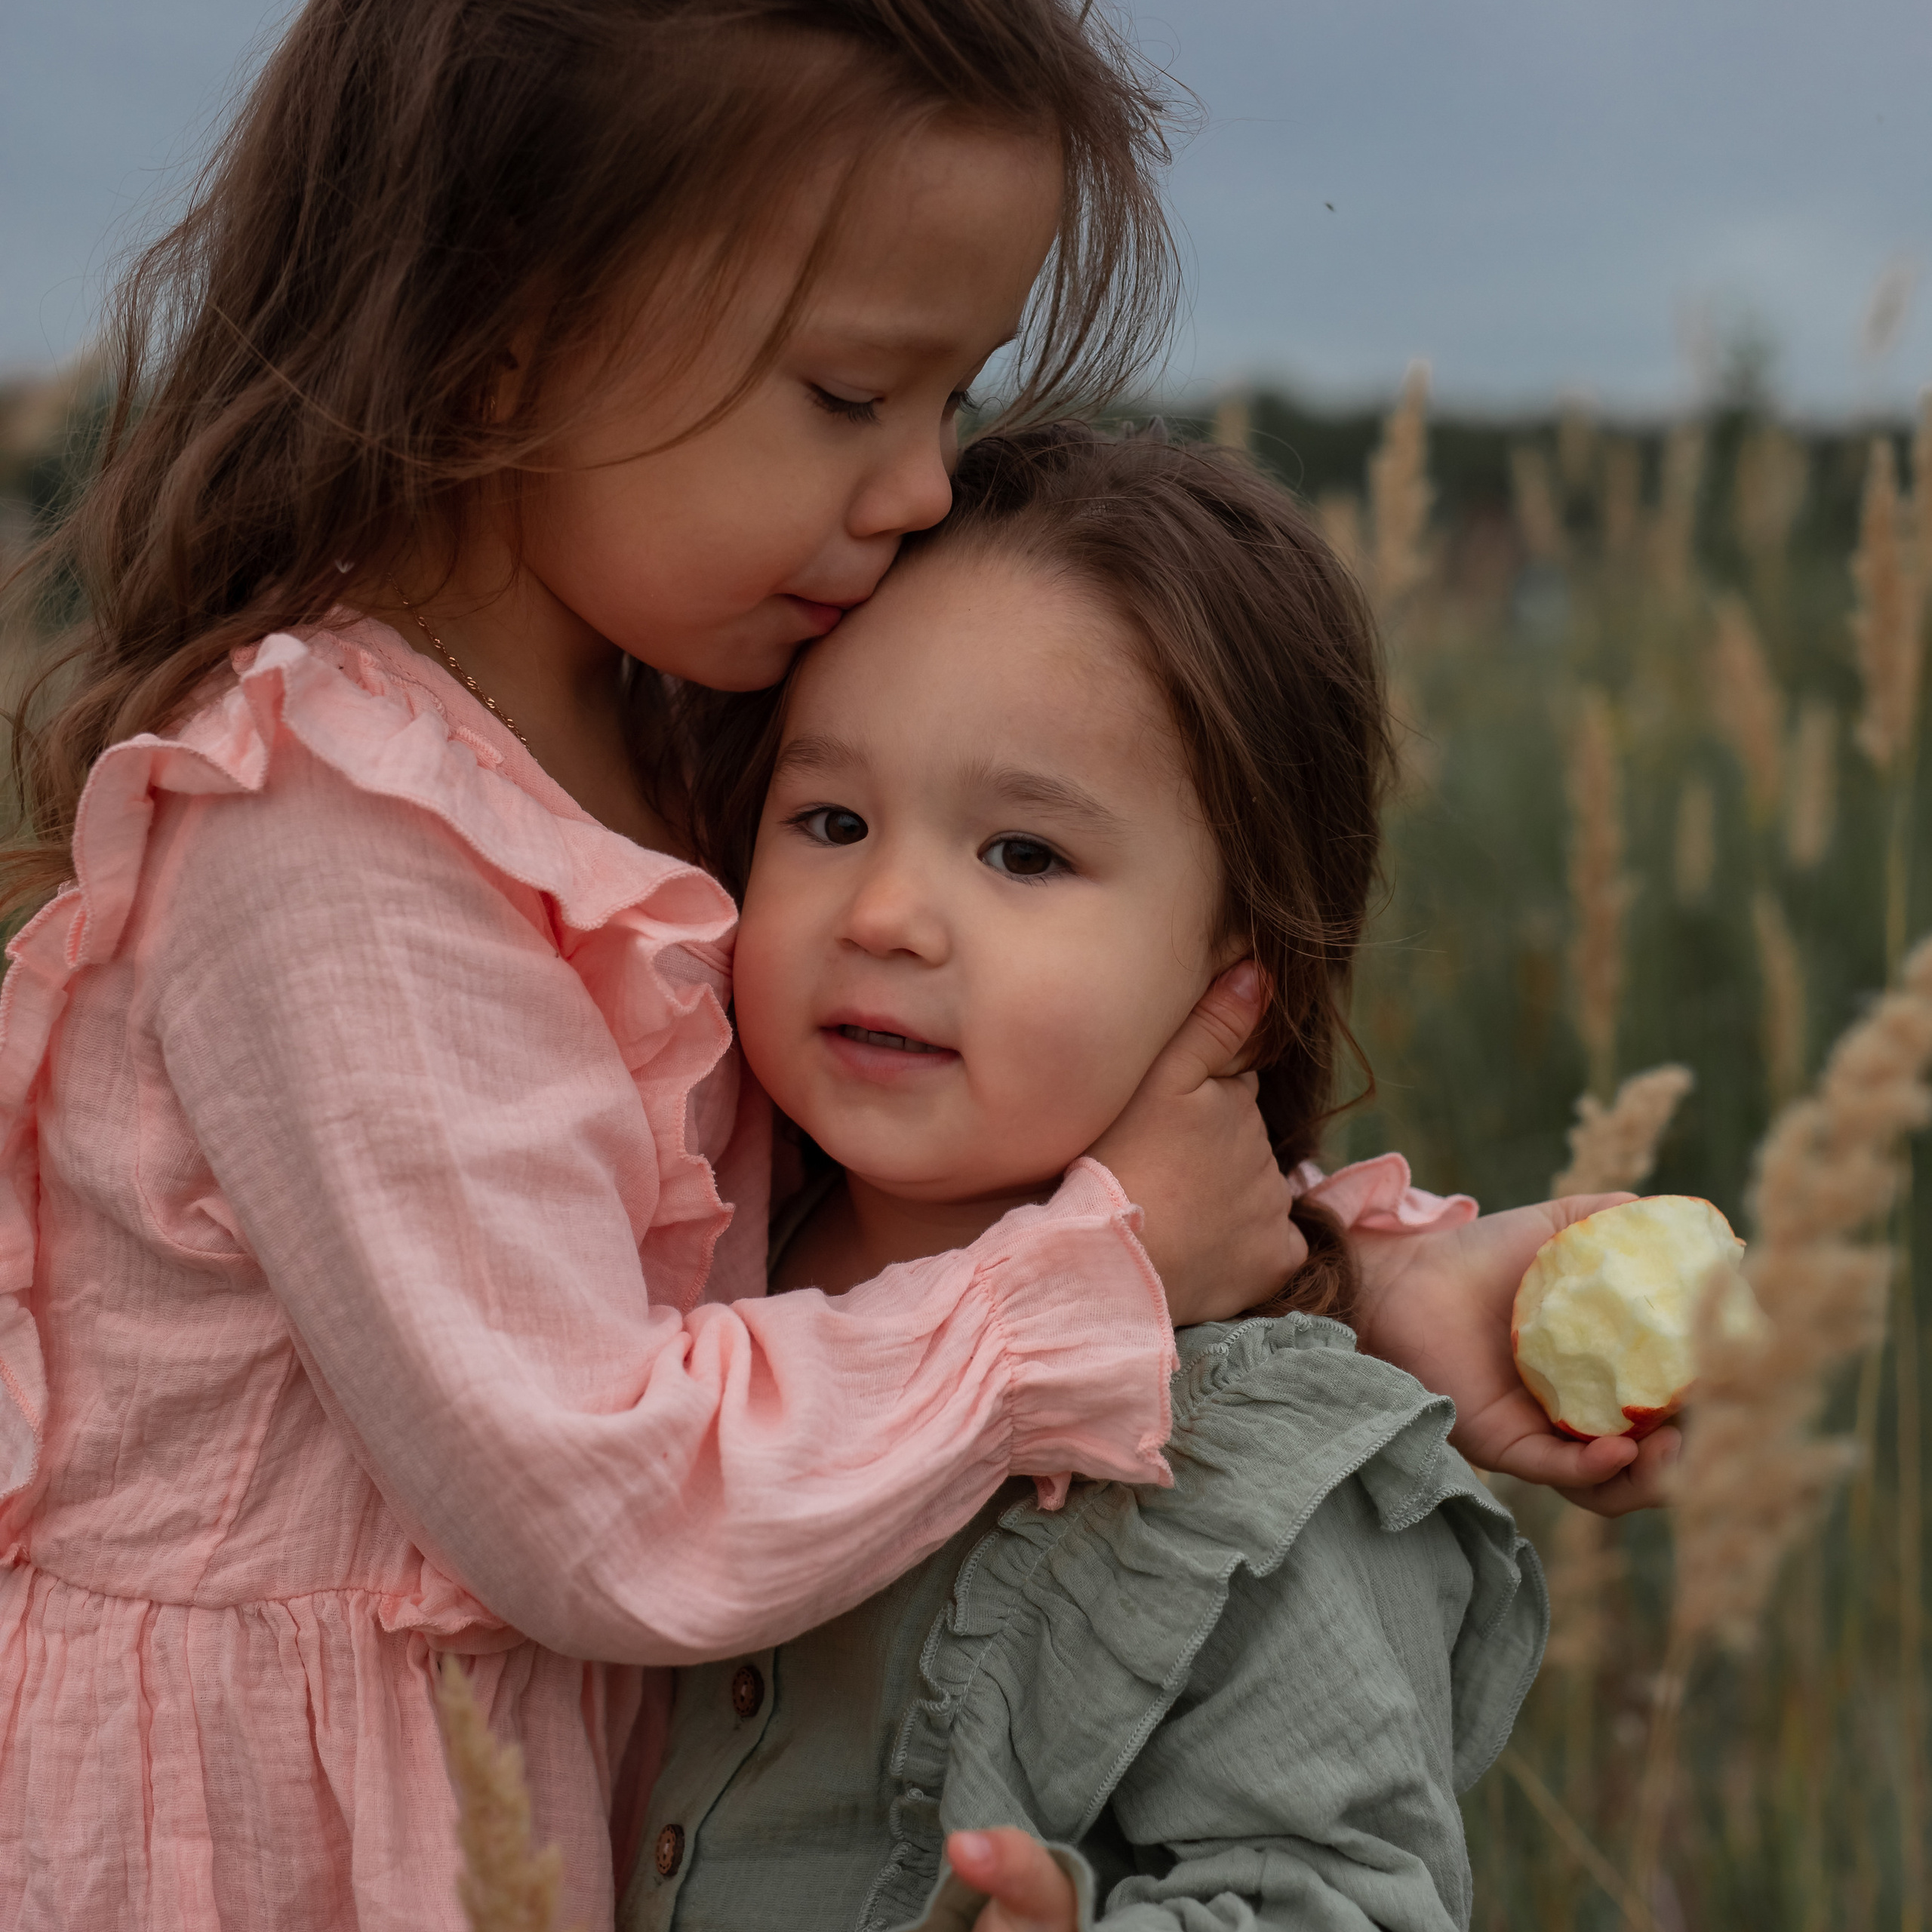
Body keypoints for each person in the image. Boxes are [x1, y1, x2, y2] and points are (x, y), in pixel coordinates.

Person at [0, 4, 1664, 1927]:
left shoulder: (684, 735)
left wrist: (1352, 1275)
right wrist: (1110, 1276)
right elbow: (597, 1496)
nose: (924, 488)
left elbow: (909, 1192)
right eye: (851, 393)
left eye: (954, 397)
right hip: (258, 1849)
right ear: (504, 330)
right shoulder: (329, 845)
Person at [624, 423, 1569, 1932]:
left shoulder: (1248, 1467)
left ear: (1239, 964)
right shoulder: (691, 1218)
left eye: (1022, 854)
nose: (885, 911)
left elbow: (1343, 1900)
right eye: (830, 821)